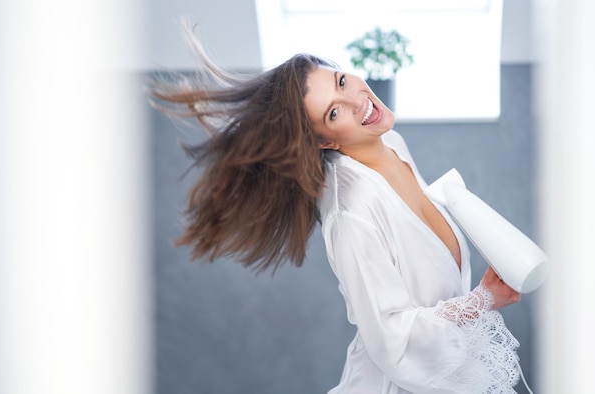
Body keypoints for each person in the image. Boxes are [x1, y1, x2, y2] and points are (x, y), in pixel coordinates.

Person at [149, 25, 524, 393]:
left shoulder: (390, 141)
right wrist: (482, 300)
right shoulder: (352, 214)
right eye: (333, 113)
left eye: (342, 82)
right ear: (325, 141)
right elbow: (393, 340)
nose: (358, 102)